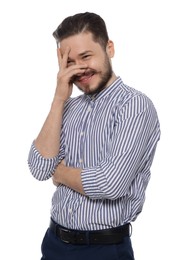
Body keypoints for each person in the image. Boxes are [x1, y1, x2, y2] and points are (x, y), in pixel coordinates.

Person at [28, 12, 161, 260]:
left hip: (103, 249)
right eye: (70, 62)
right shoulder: (67, 108)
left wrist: (60, 173)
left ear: (109, 48)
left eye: (86, 56)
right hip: (54, 243)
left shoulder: (134, 106)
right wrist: (59, 99)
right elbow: (38, 167)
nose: (80, 68)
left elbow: (110, 183)